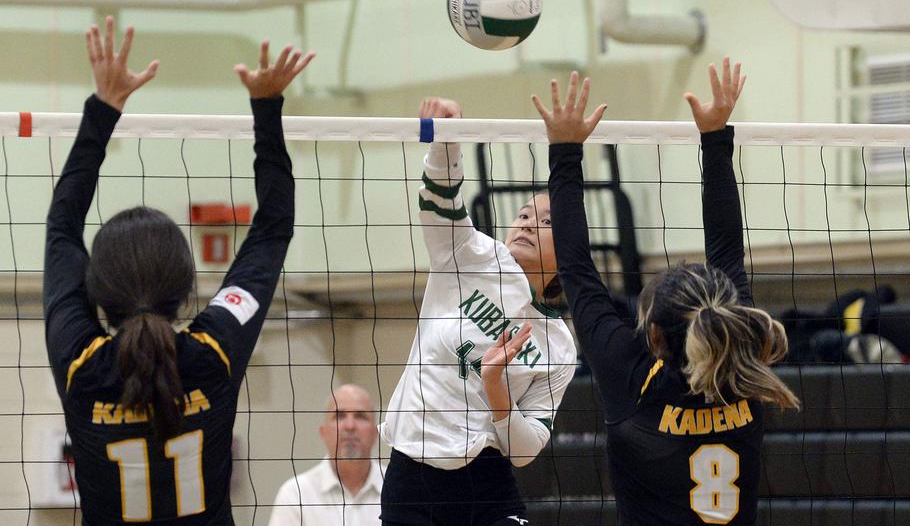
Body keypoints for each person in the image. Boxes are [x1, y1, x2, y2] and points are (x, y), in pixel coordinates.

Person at [43, 16, 313, 524]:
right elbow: (274, 227)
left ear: (97, 292)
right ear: (186, 287)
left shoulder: (82, 364)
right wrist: (267, 106)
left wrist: (102, 109)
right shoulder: (212, 354)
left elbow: (60, 228)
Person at [541, 60, 799, 525]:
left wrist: (566, 151)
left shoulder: (636, 377)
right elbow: (579, 271)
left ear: (655, 336)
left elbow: (576, 269)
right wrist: (564, 150)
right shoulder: (745, 369)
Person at [379, 98, 578, 525]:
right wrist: (446, 138)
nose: (526, 223)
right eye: (524, 214)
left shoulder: (558, 343)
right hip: (412, 470)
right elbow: (440, 198)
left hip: (484, 483)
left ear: (570, 252)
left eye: (545, 222)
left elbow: (525, 453)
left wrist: (496, 389)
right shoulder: (471, 255)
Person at [268, 385, 383, 526]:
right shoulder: (295, 494)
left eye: (360, 416)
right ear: (323, 432)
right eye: (339, 416)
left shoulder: (399, 490)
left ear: (375, 432)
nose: (350, 425)